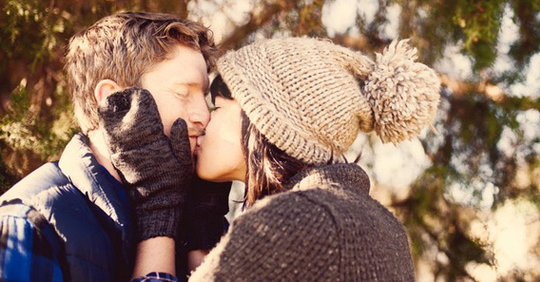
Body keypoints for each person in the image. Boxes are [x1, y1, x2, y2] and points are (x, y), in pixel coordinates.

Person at [117, 36, 441, 281]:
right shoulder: (375, 223)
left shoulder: (299, 220)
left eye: (217, 107)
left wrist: (157, 207)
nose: (203, 119)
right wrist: (202, 228)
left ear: (263, 121)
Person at [0, 12, 227, 282]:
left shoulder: (198, 218)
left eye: (203, 96)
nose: (204, 115)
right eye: (182, 93)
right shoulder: (28, 223)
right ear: (114, 100)